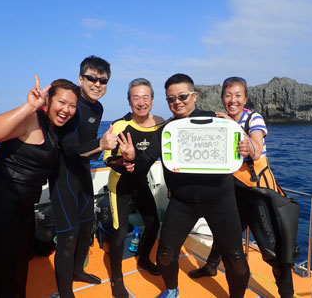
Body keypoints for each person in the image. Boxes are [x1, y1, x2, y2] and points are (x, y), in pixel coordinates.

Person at [118, 74, 250, 298]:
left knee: (236, 258)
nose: (177, 102)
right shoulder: (166, 130)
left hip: (220, 199)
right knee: (165, 254)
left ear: (194, 96)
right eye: (171, 99)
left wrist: (244, 146)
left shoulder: (219, 122)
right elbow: (144, 163)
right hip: (182, 201)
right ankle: (172, 290)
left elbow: (243, 151)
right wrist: (131, 158)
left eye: (182, 96)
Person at [188, 76, 297, 298]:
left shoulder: (253, 119)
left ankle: (286, 294)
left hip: (258, 194)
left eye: (238, 95)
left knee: (271, 250)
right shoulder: (221, 122)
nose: (233, 100)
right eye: (228, 95)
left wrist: (248, 143)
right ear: (222, 98)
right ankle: (210, 267)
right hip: (232, 191)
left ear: (245, 98)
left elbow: (256, 148)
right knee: (224, 235)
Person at [0, 75, 79, 298]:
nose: (66, 110)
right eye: (61, 102)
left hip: (22, 210)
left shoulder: (51, 129)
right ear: (47, 101)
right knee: (4, 279)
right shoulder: (32, 119)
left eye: (72, 106)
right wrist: (29, 106)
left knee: (19, 273)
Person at [48, 56, 117, 298]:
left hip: (83, 174)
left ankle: (77, 271)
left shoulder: (98, 108)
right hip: (64, 176)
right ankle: (65, 292)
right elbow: (69, 148)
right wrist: (101, 144)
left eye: (103, 80)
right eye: (92, 78)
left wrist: (101, 147)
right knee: (67, 237)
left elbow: (87, 146)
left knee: (87, 226)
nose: (97, 84)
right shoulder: (72, 105)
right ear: (81, 78)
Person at [103, 78, 165, 298]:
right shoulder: (120, 126)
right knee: (119, 231)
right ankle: (116, 280)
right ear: (129, 101)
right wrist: (122, 162)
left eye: (145, 97)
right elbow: (107, 158)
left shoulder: (161, 123)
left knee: (153, 223)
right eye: (136, 97)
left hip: (141, 182)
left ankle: (144, 257)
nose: (141, 102)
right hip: (120, 184)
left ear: (153, 99)